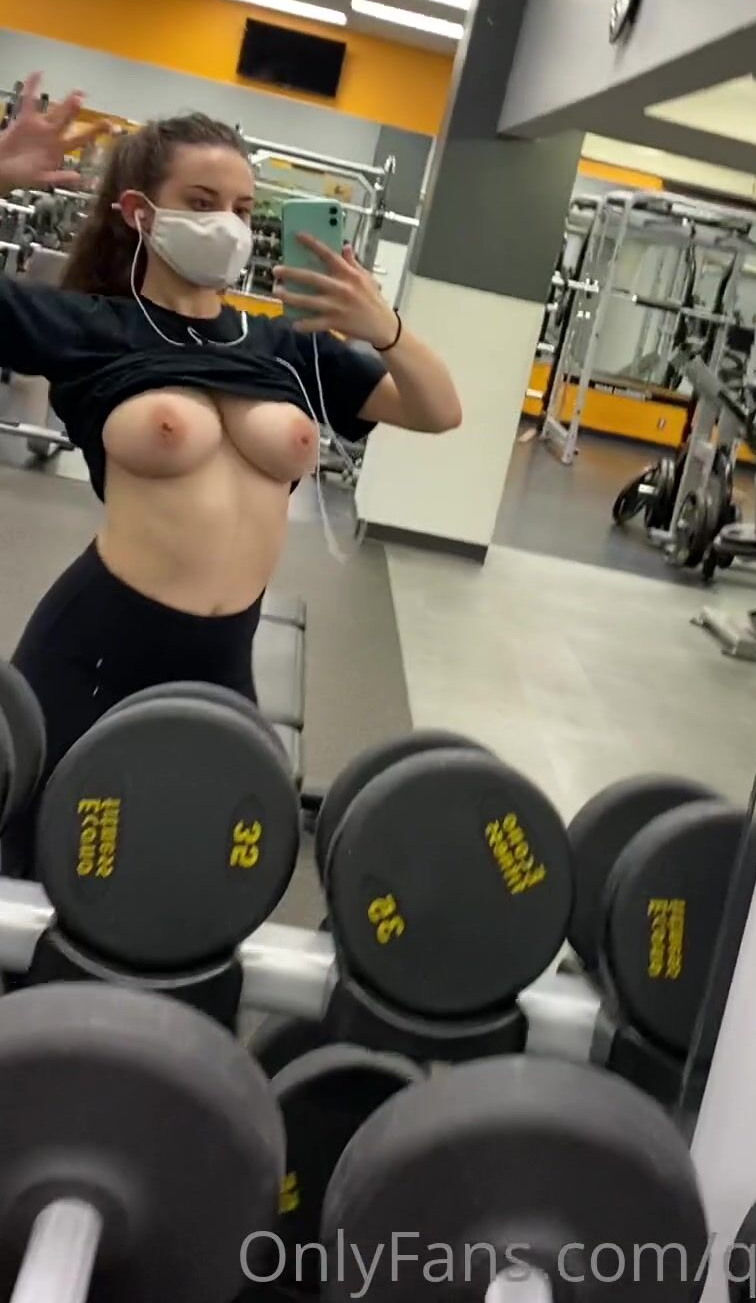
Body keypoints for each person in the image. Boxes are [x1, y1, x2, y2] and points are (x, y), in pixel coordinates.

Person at [0, 75, 461, 870]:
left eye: (243, 210)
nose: (228, 225)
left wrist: (383, 326)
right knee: (35, 864)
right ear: (140, 212)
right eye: (203, 202)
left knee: (184, 874)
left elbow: (438, 410)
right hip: (96, 648)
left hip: (222, 658)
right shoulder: (92, 327)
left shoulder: (285, 345)